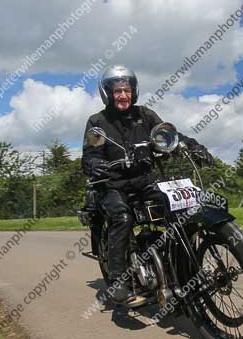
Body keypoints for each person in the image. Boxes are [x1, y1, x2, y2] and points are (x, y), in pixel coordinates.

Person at [81, 65, 213, 305]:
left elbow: (169, 136)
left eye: (126, 89)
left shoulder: (145, 115)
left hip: (144, 181)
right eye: (117, 90)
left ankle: (181, 266)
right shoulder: (98, 121)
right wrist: (95, 164)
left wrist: (194, 146)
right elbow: (89, 154)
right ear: (107, 93)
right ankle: (118, 279)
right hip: (111, 185)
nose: (123, 95)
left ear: (134, 90)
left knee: (180, 206)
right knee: (122, 217)